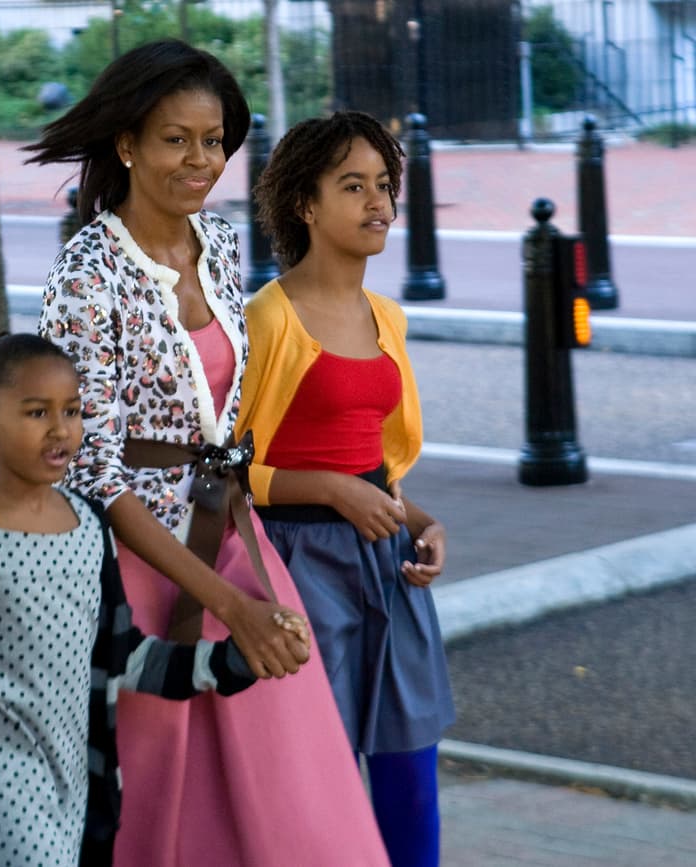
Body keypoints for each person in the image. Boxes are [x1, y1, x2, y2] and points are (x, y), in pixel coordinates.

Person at [29, 40, 389, 867]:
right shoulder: (86, 275)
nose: (201, 159)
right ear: (127, 144)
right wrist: (227, 608)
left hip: (234, 536)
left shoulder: (222, 243)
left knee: (298, 793)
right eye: (176, 139)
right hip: (137, 567)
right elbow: (95, 471)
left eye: (216, 139)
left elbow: (228, 411)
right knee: (160, 802)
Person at [0, 332, 263, 867]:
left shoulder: (93, 530)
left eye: (72, 411)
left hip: (76, 784)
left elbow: (123, 659)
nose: (60, 429)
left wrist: (234, 659)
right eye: (35, 413)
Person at [236, 110, 457, 867]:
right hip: (297, 568)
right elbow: (224, 473)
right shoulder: (265, 319)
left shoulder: (387, 316)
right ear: (306, 203)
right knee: (314, 782)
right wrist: (330, 490)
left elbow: (381, 470)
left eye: (385, 187)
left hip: (387, 562)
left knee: (410, 775)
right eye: (354, 186)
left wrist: (422, 522)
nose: (379, 205)